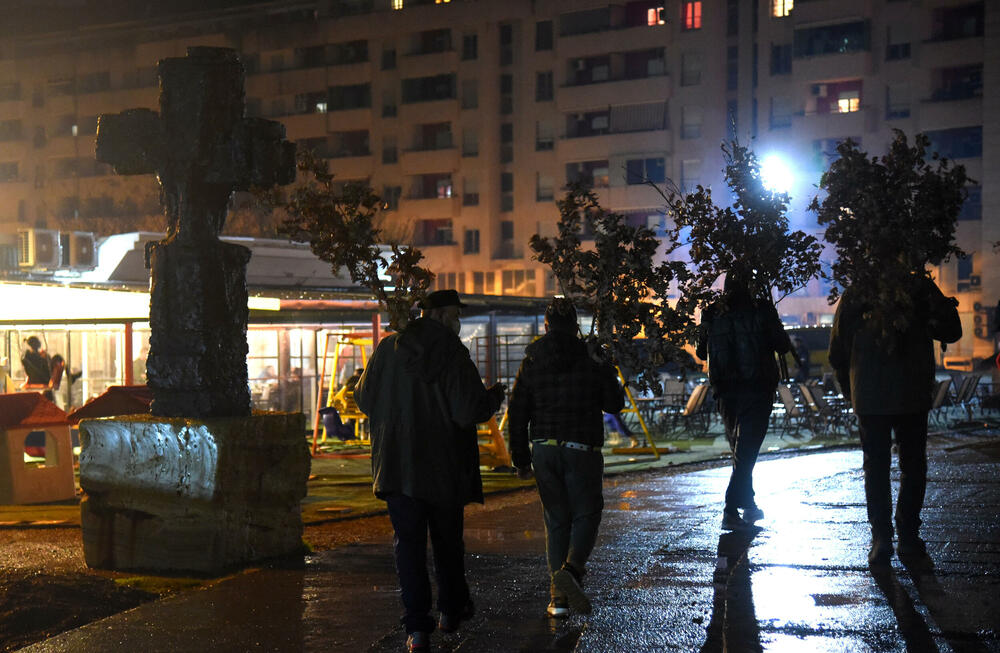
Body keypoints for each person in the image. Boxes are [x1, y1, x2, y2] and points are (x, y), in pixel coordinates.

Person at [354, 289, 506, 652]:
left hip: (396, 468)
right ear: (439, 315)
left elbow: (363, 398)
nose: (459, 321)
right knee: (447, 544)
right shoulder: (453, 354)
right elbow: (469, 410)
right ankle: (451, 610)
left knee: (407, 546)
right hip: (443, 469)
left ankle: (417, 629)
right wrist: (493, 398)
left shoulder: (388, 350)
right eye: (456, 314)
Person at [829, 276, 960, 567]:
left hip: (871, 393)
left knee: (876, 466)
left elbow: (837, 348)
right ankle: (908, 536)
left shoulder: (859, 291)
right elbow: (952, 330)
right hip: (910, 391)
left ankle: (882, 539)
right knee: (912, 464)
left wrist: (849, 388)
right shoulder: (918, 288)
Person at [507, 298, 625, 617]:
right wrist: (605, 365)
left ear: (545, 326)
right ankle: (571, 572)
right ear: (575, 326)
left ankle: (558, 599)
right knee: (587, 513)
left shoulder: (532, 358)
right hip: (581, 447)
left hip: (544, 448)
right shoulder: (589, 357)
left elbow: (518, 411)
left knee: (556, 520)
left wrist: (520, 459)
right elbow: (614, 404)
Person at [696, 272, 791, 531]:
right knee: (746, 452)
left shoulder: (712, 312)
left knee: (741, 451)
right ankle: (730, 509)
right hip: (757, 386)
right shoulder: (761, 310)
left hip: (725, 389)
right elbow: (782, 345)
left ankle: (748, 505)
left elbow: (700, 350)